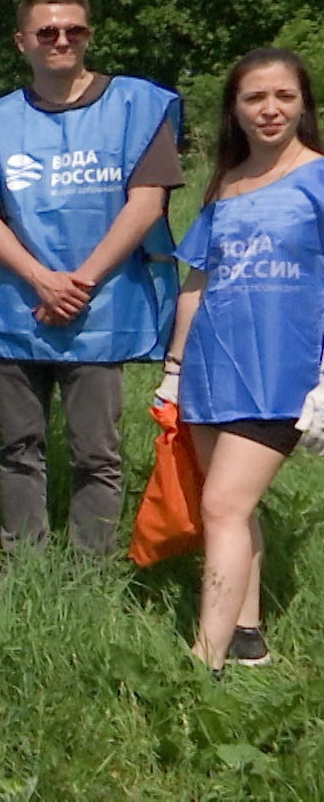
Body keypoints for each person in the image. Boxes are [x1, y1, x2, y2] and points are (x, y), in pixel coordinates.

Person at [0, 0, 181, 554]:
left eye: (74, 30)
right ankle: (23, 562)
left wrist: (77, 282)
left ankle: (90, 567)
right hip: (21, 308)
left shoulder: (137, 106)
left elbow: (147, 203)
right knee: (18, 447)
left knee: (96, 452)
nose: (61, 40)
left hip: (101, 307)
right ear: (22, 43)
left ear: (89, 35)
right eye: (47, 32)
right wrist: (42, 279)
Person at [155, 48, 324, 673]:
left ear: (304, 102)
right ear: (235, 109)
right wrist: (174, 370)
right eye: (255, 98)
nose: (270, 109)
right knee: (231, 509)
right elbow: (197, 283)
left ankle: (206, 660)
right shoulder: (225, 183)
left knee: (223, 507)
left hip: (283, 376)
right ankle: (248, 636)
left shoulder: (320, 178)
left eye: (283, 95)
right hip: (211, 370)